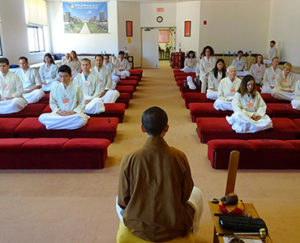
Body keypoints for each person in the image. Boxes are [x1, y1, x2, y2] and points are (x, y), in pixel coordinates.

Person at [117, 107, 203, 242]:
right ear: (167, 128)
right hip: (173, 225)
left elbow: (123, 201)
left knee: (116, 200)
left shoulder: (130, 158)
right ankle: (192, 231)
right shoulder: (179, 156)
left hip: (138, 226)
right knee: (197, 193)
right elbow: (186, 195)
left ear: (142, 129)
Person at [39, 65, 89, 130]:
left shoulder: (77, 88)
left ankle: (55, 125)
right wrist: (58, 111)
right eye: (61, 76)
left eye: (66, 76)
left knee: (81, 120)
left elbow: (82, 103)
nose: (63, 79)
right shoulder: (55, 88)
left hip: (73, 115)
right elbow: (52, 103)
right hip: (59, 115)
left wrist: (72, 112)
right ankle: (67, 125)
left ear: (70, 76)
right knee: (41, 117)